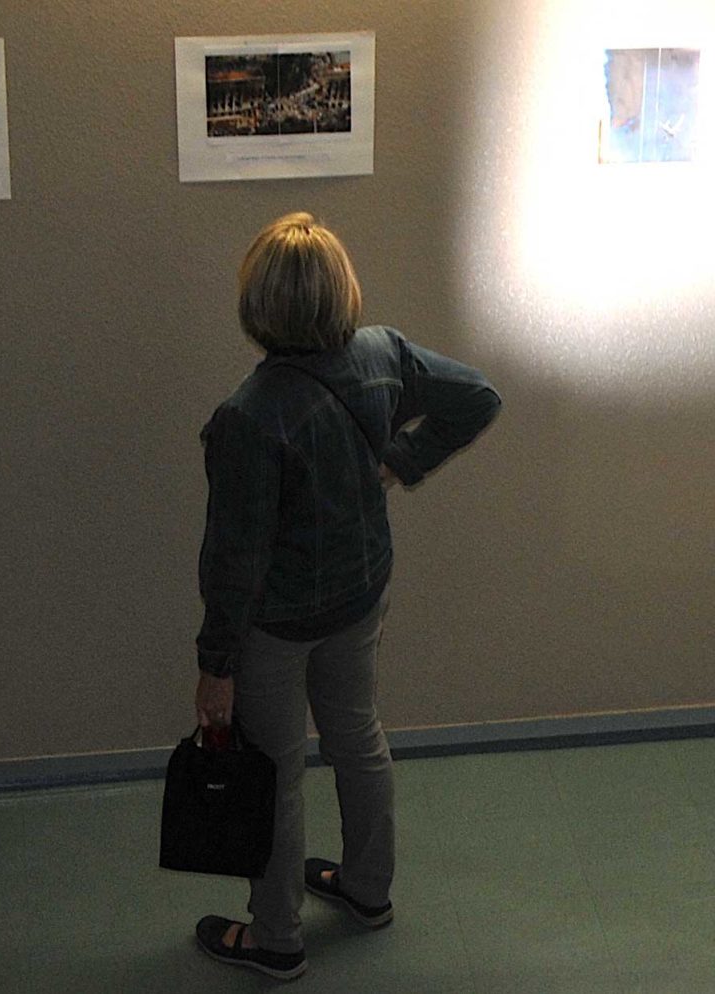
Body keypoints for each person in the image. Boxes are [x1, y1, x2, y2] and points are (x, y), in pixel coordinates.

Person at [192, 212, 502, 981]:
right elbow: (476, 396)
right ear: (341, 290)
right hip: (361, 592)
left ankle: (276, 939)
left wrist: (216, 665)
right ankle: (368, 890)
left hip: (278, 623)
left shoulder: (247, 416)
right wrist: (401, 458)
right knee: (358, 739)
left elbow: (234, 560)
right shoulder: (382, 353)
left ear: (259, 304)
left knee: (275, 774)